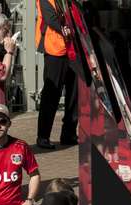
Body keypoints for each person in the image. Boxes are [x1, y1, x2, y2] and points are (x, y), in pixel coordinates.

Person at [35, 0, 77, 149]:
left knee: (74, 95)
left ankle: (69, 134)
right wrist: (69, 30)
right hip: (55, 51)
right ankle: (43, 136)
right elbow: (51, 19)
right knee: (51, 95)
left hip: (73, 50)